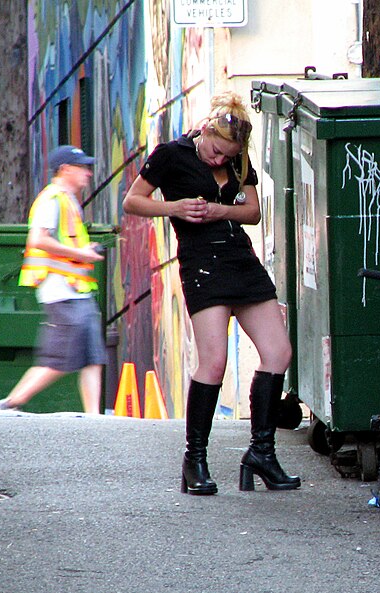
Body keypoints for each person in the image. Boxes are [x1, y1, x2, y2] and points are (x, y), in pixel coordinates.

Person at [123, 92, 299, 495]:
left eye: (229, 155)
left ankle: (262, 453)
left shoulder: (238, 159)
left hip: (241, 260)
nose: (221, 160)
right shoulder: (170, 155)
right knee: (214, 360)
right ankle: (195, 461)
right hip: (202, 263)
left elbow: (252, 212)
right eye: (217, 151)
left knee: (278, 352)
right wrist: (176, 208)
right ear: (204, 131)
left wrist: (221, 211)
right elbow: (133, 202)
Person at [0, 145, 105, 414]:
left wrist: (83, 252)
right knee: (57, 361)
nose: (88, 173)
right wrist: (81, 253)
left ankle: (95, 419)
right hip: (60, 292)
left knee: (93, 357)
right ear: (65, 170)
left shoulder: (68, 200)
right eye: (82, 167)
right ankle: (8, 404)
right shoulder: (51, 199)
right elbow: (38, 239)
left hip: (77, 292)